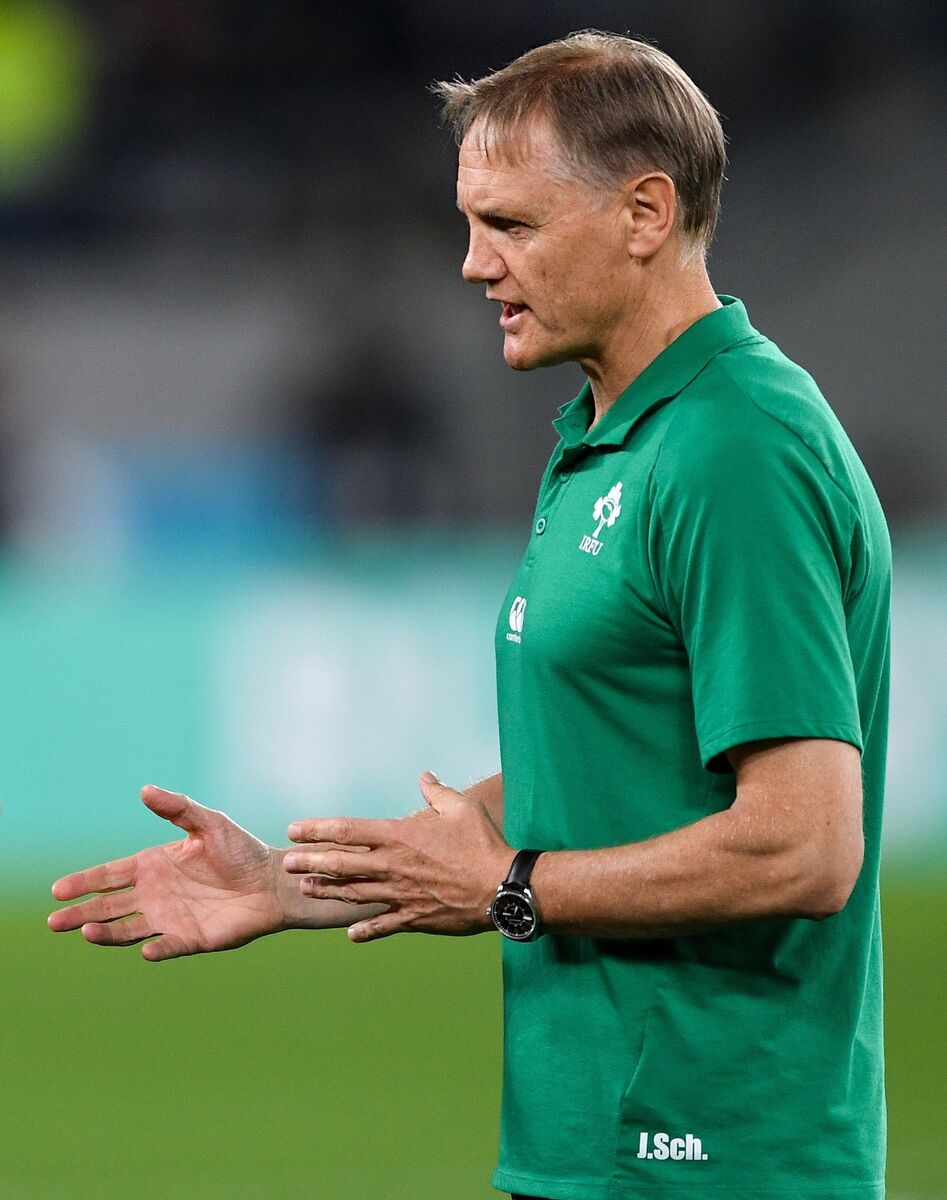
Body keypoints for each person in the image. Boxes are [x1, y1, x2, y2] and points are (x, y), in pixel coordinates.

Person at [49, 31, 890, 1200]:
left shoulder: (735, 449)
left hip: (712, 1153)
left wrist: (511, 890)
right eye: (467, 223)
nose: (470, 264)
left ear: (643, 213)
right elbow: (606, 778)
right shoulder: (609, 442)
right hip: (590, 1140)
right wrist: (298, 887)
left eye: (510, 225)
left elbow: (804, 846)